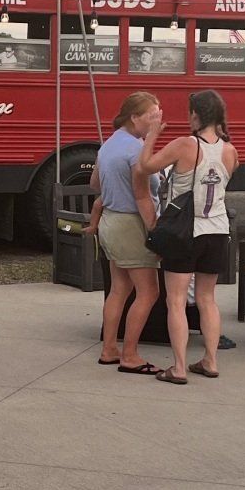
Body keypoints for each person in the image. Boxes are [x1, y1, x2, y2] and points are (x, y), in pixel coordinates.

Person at [137, 88, 237, 383]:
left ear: (197, 113)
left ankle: (179, 368)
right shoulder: (231, 150)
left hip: (185, 232)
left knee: (177, 300)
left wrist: (153, 134)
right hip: (217, 230)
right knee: (207, 299)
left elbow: (146, 167)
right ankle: (210, 360)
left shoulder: (184, 144)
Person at [88, 90, 166, 376]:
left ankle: (110, 348)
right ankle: (130, 354)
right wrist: (155, 233)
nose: (158, 121)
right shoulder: (136, 151)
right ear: (135, 117)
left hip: (110, 220)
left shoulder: (108, 145)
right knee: (149, 291)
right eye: (152, 116)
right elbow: (143, 197)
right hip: (132, 224)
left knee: (119, 289)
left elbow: (95, 183)